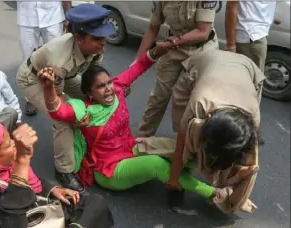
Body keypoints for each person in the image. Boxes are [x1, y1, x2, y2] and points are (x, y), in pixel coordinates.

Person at [38, 42, 230, 210]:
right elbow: (58, 111)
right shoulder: (85, 111)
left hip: (131, 148)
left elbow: (139, 67)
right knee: (157, 164)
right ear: (89, 94)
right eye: (100, 87)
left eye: (109, 83)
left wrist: (157, 51)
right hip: (110, 169)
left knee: (182, 152)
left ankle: (186, 181)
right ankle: (214, 194)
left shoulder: (118, 90)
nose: (108, 89)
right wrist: (48, 88)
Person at [16, 4, 114, 192]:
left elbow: (91, 75)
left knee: (97, 97)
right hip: (36, 80)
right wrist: (75, 115)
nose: (103, 43)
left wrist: (104, 91)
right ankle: (63, 170)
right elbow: (57, 101)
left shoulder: (95, 47)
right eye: (97, 38)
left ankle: (94, 144)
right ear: (79, 38)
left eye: (104, 37)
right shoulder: (59, 59)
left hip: (67, 76)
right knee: (63, 121)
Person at [0, 122, 115, 228]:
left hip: (37, 212)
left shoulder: (4, 166)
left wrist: (52, 190)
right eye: (9, 145)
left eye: (11, 138)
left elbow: (31, 181)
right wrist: (22, 161)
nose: (15, 145)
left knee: (94, 203)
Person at [168, 49, 265, 214]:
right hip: (204, 63)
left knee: (233, 150)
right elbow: (180, 145)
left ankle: (218, 187)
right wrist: (174, 179)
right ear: (208, 117)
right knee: (183, 129)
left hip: (246, 69)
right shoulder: (199, 103)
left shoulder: (252, 118)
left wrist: (240, 194)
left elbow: (251, 162)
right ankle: (182, 182)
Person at [135, 1, 219, 137]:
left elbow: (203, 32)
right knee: (158, 96)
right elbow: (152, 29)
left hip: (201, 49)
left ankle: (187, 144)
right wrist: (136, 62)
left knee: (195, 101)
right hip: (174, 48)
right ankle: (142, 138)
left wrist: (172, 42)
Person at [17, 1, 72, 116]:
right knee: (28, 60)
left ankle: (58, 94)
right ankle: (31, 99)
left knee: (57, 58)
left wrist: (68, 11)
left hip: (53, 16)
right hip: (27, 18)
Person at [225, 1, 276, 71]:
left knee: (253, 78)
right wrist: (231, 46)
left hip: (256, 35)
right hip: (249, 36)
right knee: (249, 78)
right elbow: (231, 6)